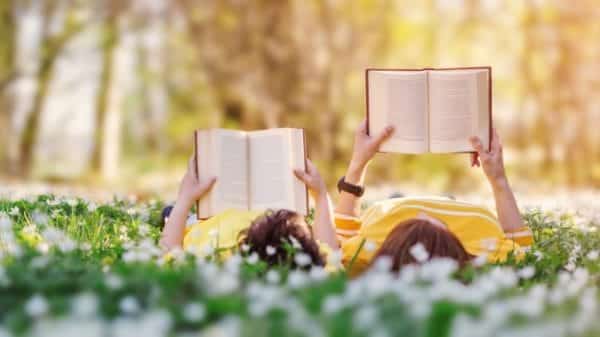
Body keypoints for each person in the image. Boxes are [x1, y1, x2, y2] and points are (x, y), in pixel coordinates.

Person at [334, 120, 533, 275]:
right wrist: (498, 179)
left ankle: (398, 199)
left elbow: (342, 234)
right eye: (436, 227)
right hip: (459, 210)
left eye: (411, 225)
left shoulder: (364, 255)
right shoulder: (486, 256)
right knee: (446, 198)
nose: (423, 214)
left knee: (395, 197)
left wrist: (358, 163)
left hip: (391, 208)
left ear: (392, 245)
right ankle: (445, 200)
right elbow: (522, 249)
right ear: (454, 248)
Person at [159, 157, 340, 269]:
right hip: (268, 225)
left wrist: (184, 199)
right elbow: (329, 249)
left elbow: (169, 249)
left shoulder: (213, 262)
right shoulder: (315, 266)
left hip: (209, 220)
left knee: (172, 213)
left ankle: (175, 211)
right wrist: (321, 194)